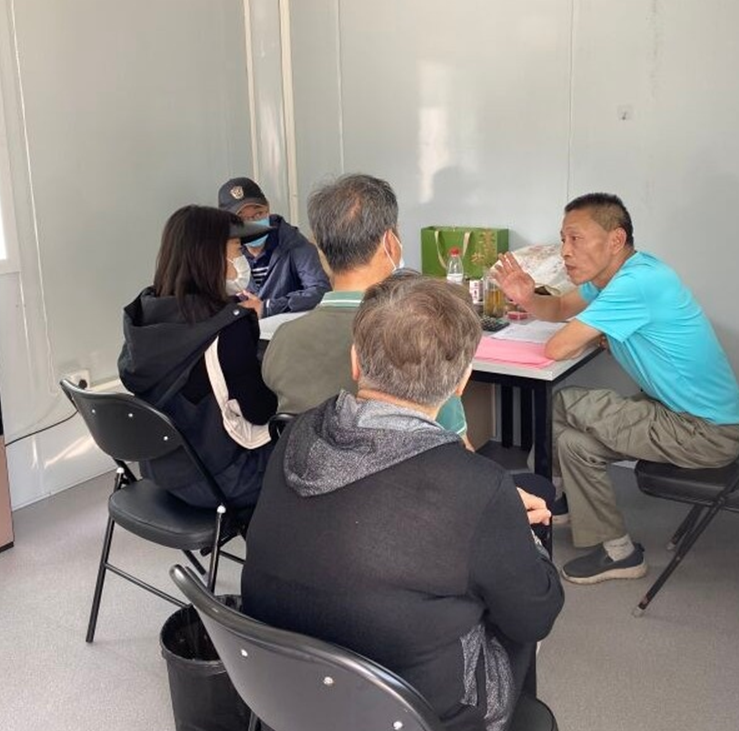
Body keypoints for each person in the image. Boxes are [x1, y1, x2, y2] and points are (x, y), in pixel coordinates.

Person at [241, 275, 564, 731]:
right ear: (462, 381)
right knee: (515, 607)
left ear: (356, 361)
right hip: (412, 715)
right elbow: (536, 616)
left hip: (284, 690)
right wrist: (521, 534)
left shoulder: (297, 434)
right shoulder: (478, 487)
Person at [494, 192, 739, 584]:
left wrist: (594, 334)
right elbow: (560, 309)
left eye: (576, 239)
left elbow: (557, 347)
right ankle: (620, 552)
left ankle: (541, 498)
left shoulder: (637, 283)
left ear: (615, 240)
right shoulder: (615, 278)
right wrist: (528, 297)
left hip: (706, 431)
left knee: (559, 403)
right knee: (572, 443)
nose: (565, 251)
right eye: (563, 239)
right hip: (678, 414)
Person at [262, 173, 469, 440]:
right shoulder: (422, 337)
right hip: (403, 467)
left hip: (304, 465)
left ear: (319, 248)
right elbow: (457, 449)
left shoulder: (283, 340)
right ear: (390, 242)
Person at [118, 205, 278, 509]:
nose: (242, 259)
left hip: (162, 470)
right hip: (222, 480)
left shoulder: (145, 314)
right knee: (306, 444)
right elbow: (260, 412)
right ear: (210, 257)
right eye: (236, 250)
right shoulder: (227, 327)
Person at [218, 176, 331, 318]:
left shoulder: (293, 243)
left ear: (268, 207)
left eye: (258, 214)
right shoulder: (220, 252)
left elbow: (320, 290)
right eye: (242, 219)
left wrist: (268, 307)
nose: (252, 223)